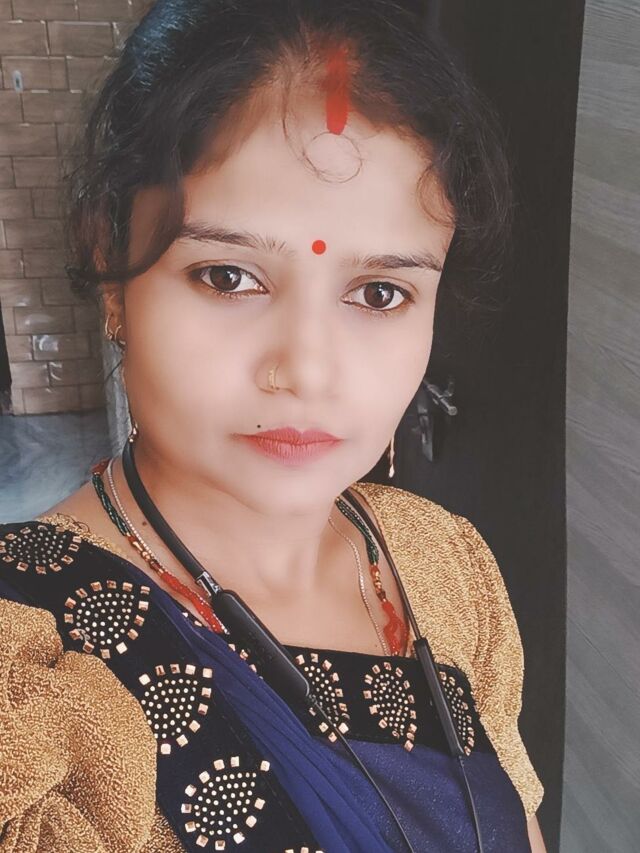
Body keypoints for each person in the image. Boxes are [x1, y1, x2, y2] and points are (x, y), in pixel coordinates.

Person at [0, 1, 547, 850]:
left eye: (380, 293)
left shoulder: (446, 563)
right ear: (110, 264)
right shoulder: (28, 666)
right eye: (228, 276)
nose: (307, 370)